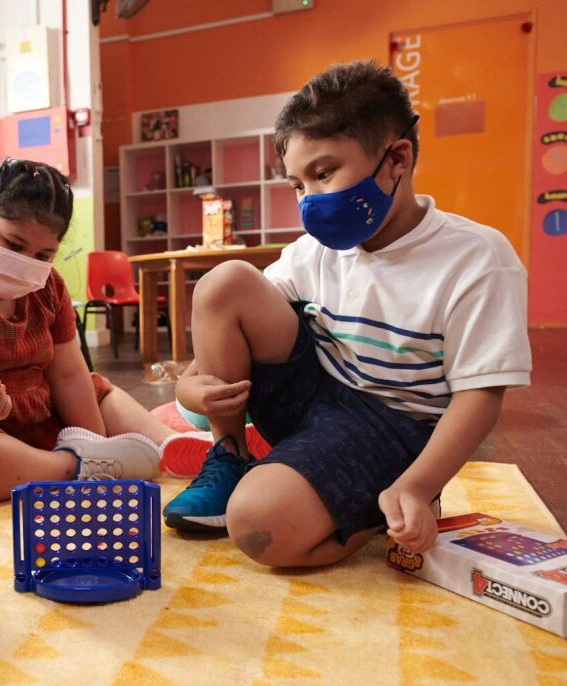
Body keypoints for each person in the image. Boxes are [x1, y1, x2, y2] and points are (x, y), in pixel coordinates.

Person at [164, 60, 531, 567]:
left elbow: (480, 398)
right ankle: (229, 455)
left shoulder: (476, 259)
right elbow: (233, 317)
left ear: (396, 157)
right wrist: (191, 385)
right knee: (225, 281)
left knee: (257, 526)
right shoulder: (314, 251)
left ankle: (375, 502)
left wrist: (418, 486)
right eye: (298, 185)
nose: (310, 201)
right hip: (316, 398)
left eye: (324, 172)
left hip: (393, 426)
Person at [0, 157, 203, 506]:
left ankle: (174, 446)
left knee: (95, 391)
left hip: (31, 410)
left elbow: (70, 374)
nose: (26, 262)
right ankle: (75, 467)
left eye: (43, 255)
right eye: (13, 245)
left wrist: (96, 440)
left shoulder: (48, 287)